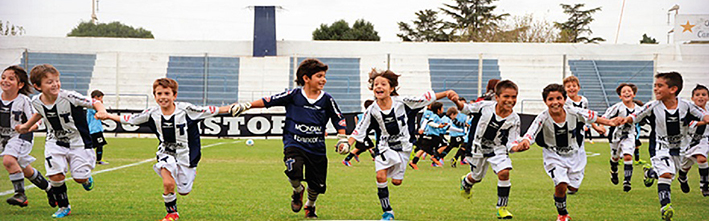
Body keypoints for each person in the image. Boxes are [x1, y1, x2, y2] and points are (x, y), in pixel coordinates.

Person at [228, 58, 348, 219]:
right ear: (306, 78)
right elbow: (269, 101)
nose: (323, 79)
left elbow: (338, 118)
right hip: (294, 143)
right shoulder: (294, 95)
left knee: (316, 185)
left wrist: (342, 138)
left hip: (316, 148)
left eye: (324, 76)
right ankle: (298, 191)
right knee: (294, 171)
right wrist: (247, 105)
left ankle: (310, 206)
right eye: (319, 76)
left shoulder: (327, 99)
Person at [101, 78, 231, 221]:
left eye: (167, 93)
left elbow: (215, 110)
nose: (163, 97)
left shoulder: (187, 110)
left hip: (187, 155)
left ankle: (188, 173)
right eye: (159, 93)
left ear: (174, 95)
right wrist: (107, 115)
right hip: (166, 152)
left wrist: (237, 107)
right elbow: (130, 118)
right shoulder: (152, 113)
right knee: (168, 182)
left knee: (184, 191)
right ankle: (172, 214)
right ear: (155, 96)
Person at [347, 69, 457, 220]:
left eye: (383, 84)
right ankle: (387, 212)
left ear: (391, 88)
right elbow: (360, 128)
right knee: (380, 176)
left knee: (397, 182)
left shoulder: (402, 102)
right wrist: (347, 143)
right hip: (384, 146)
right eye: (376, 84)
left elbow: (424, 99)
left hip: (404, 147)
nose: (378, 86)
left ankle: (393, 187)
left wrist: (446, 93)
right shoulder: (372, 109)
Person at [511, 83, 617, 221]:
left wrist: (610, 123)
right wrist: (525, 142)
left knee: (573, 187)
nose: (555, 102)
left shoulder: (574, 112)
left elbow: (593, 117)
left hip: (575, 155)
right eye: (550, 99)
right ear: (545, 101)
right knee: (561, 183)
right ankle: (562, 214)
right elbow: (531, 132)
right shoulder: (542, 117)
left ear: (564, 99)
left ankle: (569, 192)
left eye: (559, 98)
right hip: (553, 155)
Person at [15, 64, 109, 218]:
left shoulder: (70, 96)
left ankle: (85, 179)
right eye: (50, 82)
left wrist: (102, 110)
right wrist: (26, 126)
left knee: (79, 178)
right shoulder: (36, 101)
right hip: (54, 142)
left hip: (79, 142)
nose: (55, 84)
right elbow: (39, 113)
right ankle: (64, 206)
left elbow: (94, 102)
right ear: (38, 86)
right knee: (55, 175)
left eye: (57, 81)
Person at [617, 72, 709, 220]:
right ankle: (665, 207)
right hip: (659, 147)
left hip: (680, 150)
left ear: (673, 89)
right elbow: (635, 116)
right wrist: (624, 119)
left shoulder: (686, 105)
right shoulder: (652, 106)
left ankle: (650, 173)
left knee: (670, 174)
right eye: (655, 86)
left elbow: (703, 115)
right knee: (666, 175)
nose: (656, 89)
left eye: (660, 86)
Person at [456, 80, 520, 219]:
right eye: (506, 96)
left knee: (504, 173)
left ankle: (502, 208)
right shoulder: (485, 107)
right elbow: (466, 109)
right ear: (497, 97)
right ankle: (466, 182)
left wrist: (517, 147)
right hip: (477, 148)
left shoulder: (515, 119)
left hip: (498, 149)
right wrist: (456, 101)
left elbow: (512, 142)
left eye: (513, 97)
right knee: (477, 177)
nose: (510, 100)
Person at [1, 66, 52, 207]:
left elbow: (36, 122)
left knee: (9, 160)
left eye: (11, 79)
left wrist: (26, 127)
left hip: (20, 136)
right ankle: (50, 189)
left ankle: (20, 194)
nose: (5, 81)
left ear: (20, 85)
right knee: (24, 168)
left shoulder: (24, 101)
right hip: (3, 138)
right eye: (3, 77)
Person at [602, 83, 642, 192]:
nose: (627, 93)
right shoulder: (616, 107)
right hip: (616, 136)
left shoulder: (639, 109)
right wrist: (602, 126)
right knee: (615, 158)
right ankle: (614, 171)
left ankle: (627, 181)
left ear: (633, 94)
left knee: (628, 156)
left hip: (629, 135)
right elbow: (604, 118)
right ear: (620, 96)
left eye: (629, 91)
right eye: (624, 92)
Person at [677, 84, 709, 196]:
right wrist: (705, 121)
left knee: (701, 158)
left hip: (704, 141)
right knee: (686, 166)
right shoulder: (690, 110)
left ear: (708, 97)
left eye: (704, 95)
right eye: (697, 95)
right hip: (690, 141)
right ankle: (682, 177)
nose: (701, 97)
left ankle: (704, 184)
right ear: (692, 98)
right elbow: (690, 123)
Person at [563, 76, 604, 144]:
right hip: (567, 131)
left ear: (579, 88)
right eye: (568, 86)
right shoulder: (564, 101)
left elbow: (587, 115)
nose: (571, 88)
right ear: (564, 89)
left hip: (580, 131)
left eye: (574, 86)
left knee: (580, 151)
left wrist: (595, 127)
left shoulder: (584, 101)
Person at [410, 102, 447, 169]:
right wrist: (422, 129)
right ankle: (434, 157)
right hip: (430, 134)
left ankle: (414, 162)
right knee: (444, 144)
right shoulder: (430, 114)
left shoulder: (434, 115)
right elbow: (428, 122)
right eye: (442, 108)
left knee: (424, 148)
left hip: (432, 134)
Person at [342, 100, 376, 166]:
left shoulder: (365, 115)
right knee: (360, 148)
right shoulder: (367, 116)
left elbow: (356, 119)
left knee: (368, 146)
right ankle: (346, 160)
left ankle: (373, 157)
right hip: (362, 135)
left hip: (363, 134)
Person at [87, 90, 109, 165]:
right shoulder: (92, 106)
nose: (101, 100)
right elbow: (101, 114)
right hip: (94, 129)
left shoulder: (91, 105)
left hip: (94, 129)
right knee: (99, 144)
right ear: (96, 97)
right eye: (101, 98)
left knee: (94, 145)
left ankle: (92, 159)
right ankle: (98, 160)